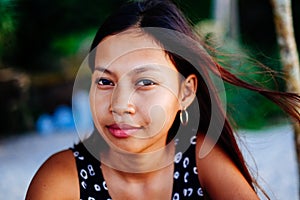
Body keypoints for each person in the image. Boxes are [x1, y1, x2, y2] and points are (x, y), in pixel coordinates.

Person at [26, 0, 300, 199]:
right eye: (105, 81)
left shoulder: (199, 158)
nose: (120, 105)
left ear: (186, 93)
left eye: (145, 82)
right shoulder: (62, 181)